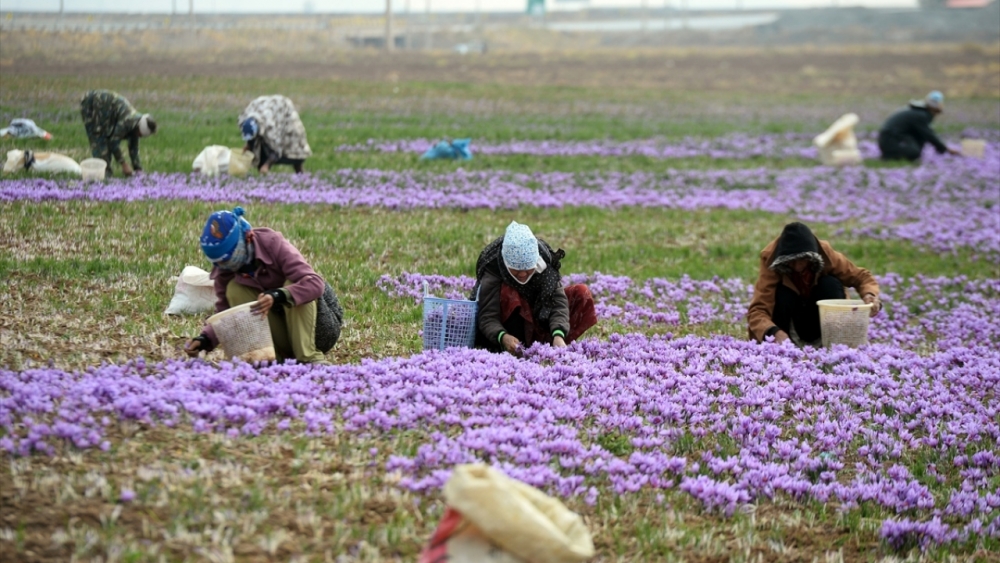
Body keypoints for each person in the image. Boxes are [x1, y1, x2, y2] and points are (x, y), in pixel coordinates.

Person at [184, 206, 343, 364]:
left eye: (227, 259)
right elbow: (226, 314)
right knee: (234, 290)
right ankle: (275, 359)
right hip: (283, 333)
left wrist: (278, 296)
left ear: (245, 239)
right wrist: (205, 339)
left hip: (318, 330)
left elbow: (314, 283)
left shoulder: (273, 243)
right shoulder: (225, 268)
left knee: (293, 282)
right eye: (218, 262)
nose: (224, 266)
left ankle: (309, 359)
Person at [471, 221, 597, 355]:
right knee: (509, 292)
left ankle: (553, 345)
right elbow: (487, 316)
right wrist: (503, 337)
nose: (523, 274)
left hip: (540, 320)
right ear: (507, 263)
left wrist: (558, 334)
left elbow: (558, 303)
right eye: (516, 270)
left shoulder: (544, 263)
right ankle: (514, 348)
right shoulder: (494, 268)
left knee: (581, 293)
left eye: (528, 269)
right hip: (511, 331)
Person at [747, 222, 882, 345]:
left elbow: (861, 276)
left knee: (830, 284)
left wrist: (870, 295)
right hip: (787, 324)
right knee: (782, 292)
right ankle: (788, 346)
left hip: (820, 318)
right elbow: (758, 309)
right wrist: (774, 332)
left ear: (812, 257)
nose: (797, 266)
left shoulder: (824, 252)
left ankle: (830, 343)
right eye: (791, 261)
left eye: (802, 260)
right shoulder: (771, 259)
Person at [80, 90, 157, 177]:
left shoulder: (136, 125)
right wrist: (123, 164)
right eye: (140, 134)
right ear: (139, 129)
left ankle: (105, 173)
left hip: (107, 114)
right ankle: (102, 174)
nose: (139, 136)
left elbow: (133, 148)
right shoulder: (127, 122)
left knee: (106, 139)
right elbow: (113, 143)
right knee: (99, 140)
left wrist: (138, 169)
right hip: (92, 105)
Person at [878, 91, 961, 162]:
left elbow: (923, 135)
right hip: (890, 140)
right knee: (913, 153)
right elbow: (929, 135)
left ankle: (891, 155)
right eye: (937, 112)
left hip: (890, 139)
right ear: (933, 109)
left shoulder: (918, 112)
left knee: (919, 142)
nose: (936, 115)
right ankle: (889, 156)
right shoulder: (921, 116)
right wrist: (945, 150)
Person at [238, 95, 312, 175]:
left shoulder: (271, 128)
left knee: (293, 148)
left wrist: (267, 165)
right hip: (267, 110)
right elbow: (251, 137)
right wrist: (248, 145)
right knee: (259, 148)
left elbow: (277, 149)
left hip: (284, 114)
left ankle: (300, 174)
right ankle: (263, 176)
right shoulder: (246, 117)